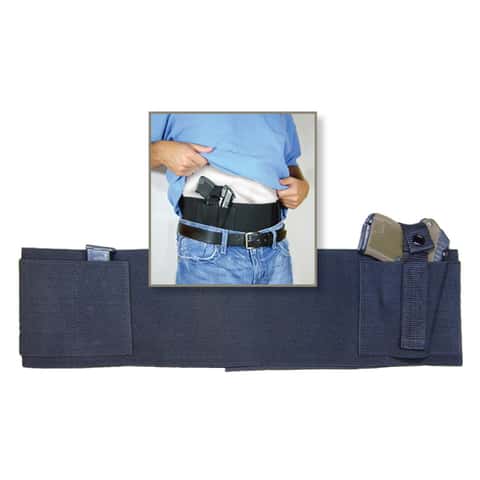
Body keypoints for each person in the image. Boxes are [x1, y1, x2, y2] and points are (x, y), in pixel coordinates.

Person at [150, 113, 309, 285]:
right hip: (211, 249)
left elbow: (289, 162)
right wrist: (159, 151)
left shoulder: (281, 113)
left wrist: (302, 185)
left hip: (276, 249)